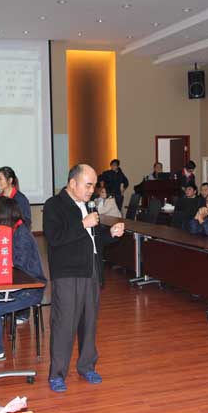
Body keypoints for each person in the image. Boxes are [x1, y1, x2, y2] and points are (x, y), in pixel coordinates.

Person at [43, 164, 125, 393]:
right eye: (88, 185)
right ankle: (57, 374)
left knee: (89, 322)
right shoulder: (54, 205)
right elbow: (55, 238)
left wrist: (111, 234)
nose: (92, 190)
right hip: (68, 273)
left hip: (91, 271)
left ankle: (87, 366)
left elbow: (94, 239)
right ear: (72, 183)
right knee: (64, 324)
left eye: (94, 185)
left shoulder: (89, 205)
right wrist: (83, 224)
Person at [0, 197, 47, 361]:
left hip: (31, 290)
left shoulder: (21, 234)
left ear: (3, 214)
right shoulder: (12, 230)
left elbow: (17, 269)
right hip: (18, 287)